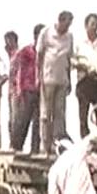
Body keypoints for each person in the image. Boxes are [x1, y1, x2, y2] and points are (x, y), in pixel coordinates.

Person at [37, 11, 74, 154]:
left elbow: (68, 59)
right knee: (46, 114)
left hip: (62, 79)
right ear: (60, 20)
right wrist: (38, 77)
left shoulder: (69, 36)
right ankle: (45, 145)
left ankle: (58, 144)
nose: (67, 27)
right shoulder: (46, 32)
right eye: (66, 24)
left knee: (60, 113)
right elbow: (39, 55)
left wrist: (69, 79)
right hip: (47, 78)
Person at [73, 15, 97, 138]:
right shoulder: (79, 43)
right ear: (86, 25)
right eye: (92, 24)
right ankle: (85, 144)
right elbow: (72, 60)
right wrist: (81, 66)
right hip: (83, 81)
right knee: (83, 116)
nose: (95, 26)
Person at [12, 25, 44, 153]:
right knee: (23, 119)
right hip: (28, 88)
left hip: (41, 89)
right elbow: (19, 69)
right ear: (36, 36)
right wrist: (19, 88)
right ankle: (16, 146)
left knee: (38, 121)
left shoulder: (45, 52)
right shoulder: (27, 51)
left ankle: (35, 149)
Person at [4, 31, 19, 149]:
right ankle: (12, 142)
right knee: (11, 118)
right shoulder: (10, 56)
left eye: (9, 41)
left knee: (15, 118)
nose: (6, 44)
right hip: (10, 90)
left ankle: (15, 143)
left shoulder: (18, 55)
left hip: (16, 90)